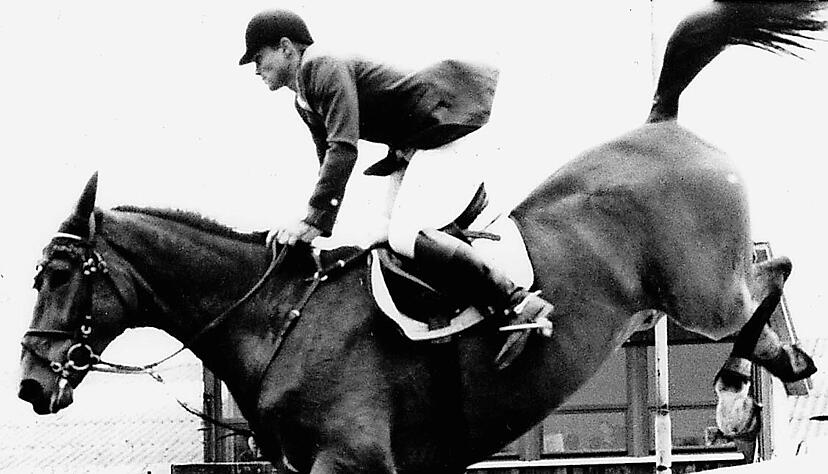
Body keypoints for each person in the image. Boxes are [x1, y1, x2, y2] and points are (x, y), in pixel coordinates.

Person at [239, 9, 553, 365]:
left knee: (405, 234)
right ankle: (444, 316)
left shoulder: (321, 66)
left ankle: (518, 302)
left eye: (259, 57)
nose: (255, 68)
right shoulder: (303, 97)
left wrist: (313, 221)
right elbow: (328, 157)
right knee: (378, 237)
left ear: (285, 48)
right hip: (414, 148)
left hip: (440, 134)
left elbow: (344, 149)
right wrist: (314, 220)